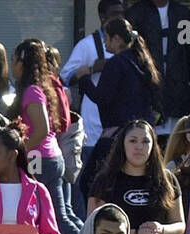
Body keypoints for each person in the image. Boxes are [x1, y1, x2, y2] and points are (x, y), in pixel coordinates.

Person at [69, 16, 162, 208]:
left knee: (90, 181)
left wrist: (84, 79)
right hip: (142, 131)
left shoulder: (116, 63)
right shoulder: (142, 62)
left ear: (117, 39)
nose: (104, 42)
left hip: (116, 135)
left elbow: (102, 97)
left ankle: (101, 217)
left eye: (107, 38)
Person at [8, 38, 81, 234]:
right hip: (48, 157)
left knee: (58, 217)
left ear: (22, 63)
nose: (12, 66)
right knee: (62, 213)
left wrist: (18, 153)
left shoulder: (32, 91)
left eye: (14, 60)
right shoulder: (38, 88)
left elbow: (41, 129)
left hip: (42, 160)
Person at [60, 0, 124, 211]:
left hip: (119, 131)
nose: (120, 17)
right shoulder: (87, 46)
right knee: (87, 185)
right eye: (115, 14)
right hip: (92, 130)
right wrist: (91, 69)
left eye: (123, 13)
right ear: (103, 17)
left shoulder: (130, 48)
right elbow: (65, 76)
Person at [124, 0, 190, 137]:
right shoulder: (136, 14)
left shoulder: (181, 15)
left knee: (176, 140)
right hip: (147, 93)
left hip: (177, 93)